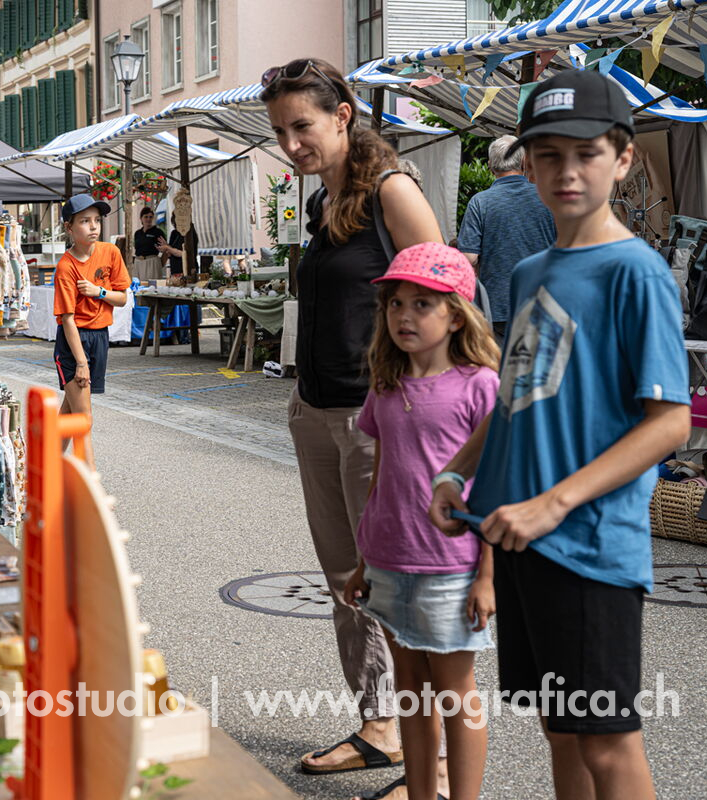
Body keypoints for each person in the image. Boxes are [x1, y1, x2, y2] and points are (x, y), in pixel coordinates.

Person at [430, 70, 692, 800]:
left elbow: (670, 420)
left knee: (607, 741)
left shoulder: (636, 272)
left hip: (587, 546)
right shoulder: (531, 271)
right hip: (517, 539)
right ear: (528, 164)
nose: (567, 171)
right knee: (561, 729)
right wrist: (456, 471)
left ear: (623, 159)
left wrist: (554, 503)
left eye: (586, 153)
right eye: (548, 155)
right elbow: (517, 395)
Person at [261, 57, 445, 797]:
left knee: (399, 587)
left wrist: (420, 416)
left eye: (302, 126)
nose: (291, 143)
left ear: (342, 116)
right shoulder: (323, 201)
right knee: (347, 582)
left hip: (377, 417)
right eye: (280, 131)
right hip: (316, 411)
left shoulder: (392, 191)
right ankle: (379, 726)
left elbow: (448, 300)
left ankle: (434, 764)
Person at [345, 242, 500, 800]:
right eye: (395, 303)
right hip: (388, 561)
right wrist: (363, 559)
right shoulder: (386, 383)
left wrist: (487, 575)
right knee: (409, 690)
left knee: (455, 693)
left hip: (452, 568)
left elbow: (497, 484)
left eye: (422, 304)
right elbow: (382, 473)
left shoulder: (480, 385)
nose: (404, 316)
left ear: (456, 316)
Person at [53, 193, 131, 469]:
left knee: (71, 410)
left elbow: (122, 298)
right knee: (83, 417)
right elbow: (67, 319)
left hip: (100, 337)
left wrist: (99, 291)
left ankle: (46, 466)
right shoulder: (66, 267)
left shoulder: (110, 252)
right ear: (69, 227)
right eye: (85, 221)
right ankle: (90, 481)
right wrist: (81, 363)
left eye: (96, 220)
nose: (93, 226)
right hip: (73, 342)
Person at [457, 135, 556, 338]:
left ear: (489, 166)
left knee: (498, 359)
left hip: (497, 308)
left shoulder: (480, 203)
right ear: (524, 163)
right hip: (542, 304)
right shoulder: (548, 198)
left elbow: (468, 258)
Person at [131, 206, 166, 284]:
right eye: (146, 217)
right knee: (137, 286)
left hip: (152, 263)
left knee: (151, 286)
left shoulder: (158, 232)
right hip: (138, 263)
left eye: (150, 217)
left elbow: (166, 250)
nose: (148, 219)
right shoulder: (137, 233)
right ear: (141, 218)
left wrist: (160, 264)